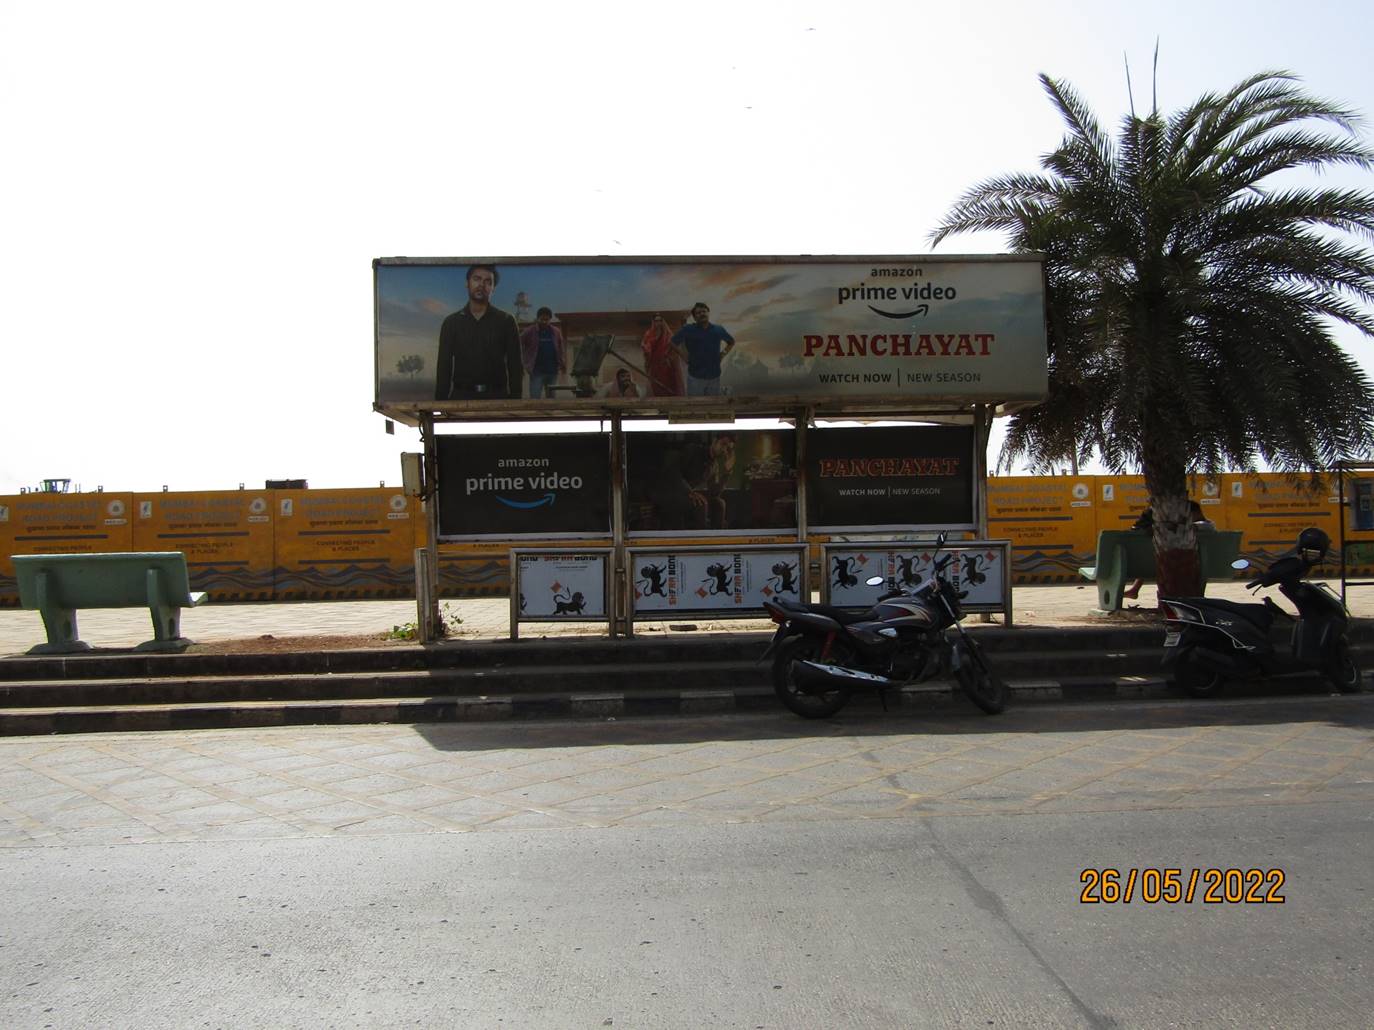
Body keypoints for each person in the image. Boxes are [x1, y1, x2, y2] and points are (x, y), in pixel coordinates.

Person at [434, 265, 523, 400]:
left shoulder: (506, 321)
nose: (481, 285)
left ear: (493, 288)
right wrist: (440, 403)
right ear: (467, 283)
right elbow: (444, 366)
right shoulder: (451, 322)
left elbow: (515, 364)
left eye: (488, 281)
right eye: (477, 279)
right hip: (461, 397)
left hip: (497, 397)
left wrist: (515, 399)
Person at [1122, 499, 1215, 599]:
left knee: (1152, 556)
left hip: (1155, 566)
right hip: (1189, 566)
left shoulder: (1187, 528)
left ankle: (1135, 589)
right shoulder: (1198, 528)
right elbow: (1207, 526)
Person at [671, 302, 735, 396]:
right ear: (694, 317)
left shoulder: (718, 329)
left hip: (714, 377)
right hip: (695, 378)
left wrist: (723, 354)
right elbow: (672, 343)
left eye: (704, 311)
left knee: (712, 406)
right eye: (698, 313)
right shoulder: (688, 329)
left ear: (708, 313)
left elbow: (731, 342)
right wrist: (684, 356)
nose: (702, 314)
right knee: (695, 407)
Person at [519, 307, 566, 399]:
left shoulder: (556, 332)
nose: (544, 322)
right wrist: (523, 362)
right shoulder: (530, 331)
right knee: (535, 397)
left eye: (547, 319)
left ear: (550, 319)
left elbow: (560, 349)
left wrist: (563, 364)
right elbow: (518, 344)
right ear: (537, 319)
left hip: (552, 371)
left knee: (551, 398)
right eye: (542, 319)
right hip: (536, 371)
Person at [640, 313, 685, 397]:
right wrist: (647, 348)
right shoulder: (649, 334)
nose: (658, 323)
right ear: (653, 322)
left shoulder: (668, 334)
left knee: (669, 383)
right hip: (654, 365)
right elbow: (645, 345)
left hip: (666, 364)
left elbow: (673, 346)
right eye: (656, 321)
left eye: (660, 321)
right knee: (656, 384)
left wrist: (668, 357)